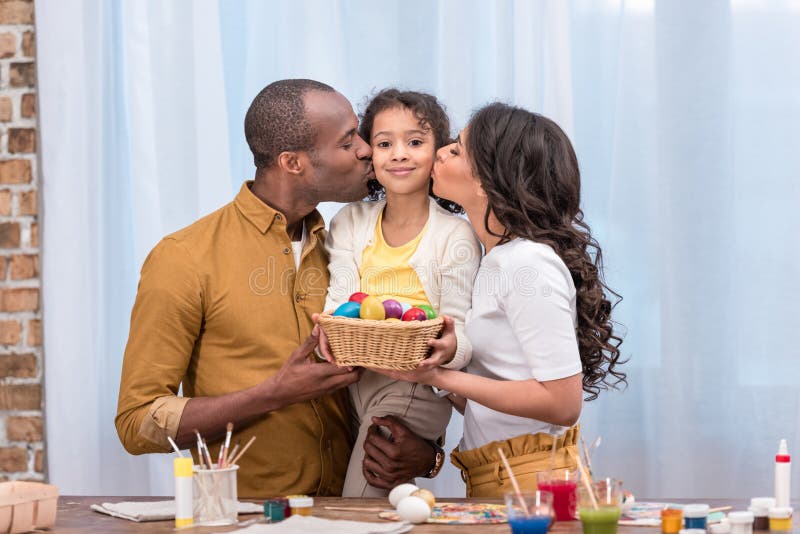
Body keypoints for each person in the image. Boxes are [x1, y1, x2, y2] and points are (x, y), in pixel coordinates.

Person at [115, 79, 437, 498]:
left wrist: (428, 454)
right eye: (346, 142)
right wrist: (271, 395)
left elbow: (394, 368)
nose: (365, 149)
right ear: (293, 162)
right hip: (243, 520)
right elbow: (137, 421)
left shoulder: (356, 246)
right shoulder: (184, 258)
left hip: (357, 517)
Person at [376, 103, 626, 497]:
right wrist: (433, 370)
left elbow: (562, 403)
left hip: (530, 484)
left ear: (485, 183)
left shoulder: (527, 263)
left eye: (456, 149)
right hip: (497, 477)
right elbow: (502, 396)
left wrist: (439, 377)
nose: (441, 151)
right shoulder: (497, 260)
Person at [318, 89, 481, 497]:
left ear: (437, 154)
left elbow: (459, 332)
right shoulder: (350, 221)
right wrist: (329, 332)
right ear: (369, 155)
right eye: (384, 143)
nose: (399, 154)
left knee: (360, 501)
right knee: (378, 504)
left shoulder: (454, 234)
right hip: (353, 384)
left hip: (415, 386)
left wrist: (445, 352)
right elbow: (340, 302)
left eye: (415, 141)